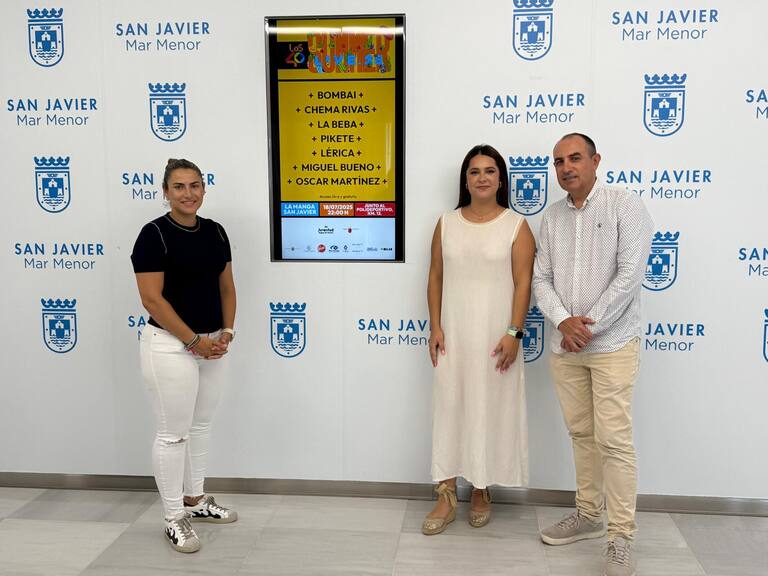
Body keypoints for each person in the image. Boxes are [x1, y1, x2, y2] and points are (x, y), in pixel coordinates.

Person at [532, 134, 653, 576]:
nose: (567, 168)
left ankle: (620, 536)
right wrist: (565, 321)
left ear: (596, 160)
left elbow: (630, 275)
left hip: (612, 345)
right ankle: (587, 513)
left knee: (614, 440)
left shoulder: (625, 205)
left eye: (575, 158)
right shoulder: (552, 218)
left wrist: (587, 325)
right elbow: (541, 279)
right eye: (559, 161)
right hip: (566, 348)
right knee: (582, 435)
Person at [423, 144, 535, 535]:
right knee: (450, 406)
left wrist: (513, 333)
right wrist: (435, 326)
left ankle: (482, 488)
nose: (482, 177)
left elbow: (523, 284)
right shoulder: (446, 223)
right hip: (453, 335)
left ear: (501, 179)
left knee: (488, 408)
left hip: (495, 338)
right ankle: (446, 492)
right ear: (465, 179)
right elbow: (435, 277)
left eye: (490, 171)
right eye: (474, 171)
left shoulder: (516, 225)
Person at [131, 158, 238, 553]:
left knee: (202, 425)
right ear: (165, 191)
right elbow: (151, 299)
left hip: (212, 343)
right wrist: (194, 341)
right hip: (170, 346)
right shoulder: (153, 235)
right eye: (179, 187)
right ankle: (174, 516)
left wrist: (226, 332)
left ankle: (195, 500)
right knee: (173, 434)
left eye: (195, 185)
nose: (188, 193)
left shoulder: (215, 232)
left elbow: (227, 287)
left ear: (204, 189)